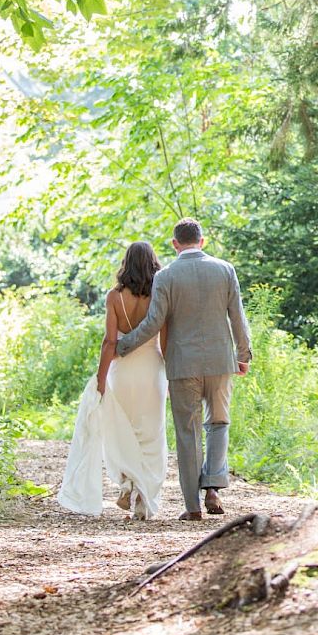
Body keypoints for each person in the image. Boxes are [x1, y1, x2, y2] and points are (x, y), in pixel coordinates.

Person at [116, 218, 252, 520]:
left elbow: (153, 323)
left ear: (175, 244)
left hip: (182, 363)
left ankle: (192, 507)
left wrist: (123, 345)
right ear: (201, 241)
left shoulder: (166, 276)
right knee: (218, 423)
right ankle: (213, 487)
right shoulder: (225, 270)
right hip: (220, 361)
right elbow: (237, 317)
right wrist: (243, 354)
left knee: (188, 433)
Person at [58, 241, 169, 520]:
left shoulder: (114, 296)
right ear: (153, 263)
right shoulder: (160, 294)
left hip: (122, 372)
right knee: (151, 435)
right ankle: (144, 499)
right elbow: (165, 341)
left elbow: (110, 341)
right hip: (151, 370)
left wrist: (101, 377)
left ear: (126, 263)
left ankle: (126, 482)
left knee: (122, 432)